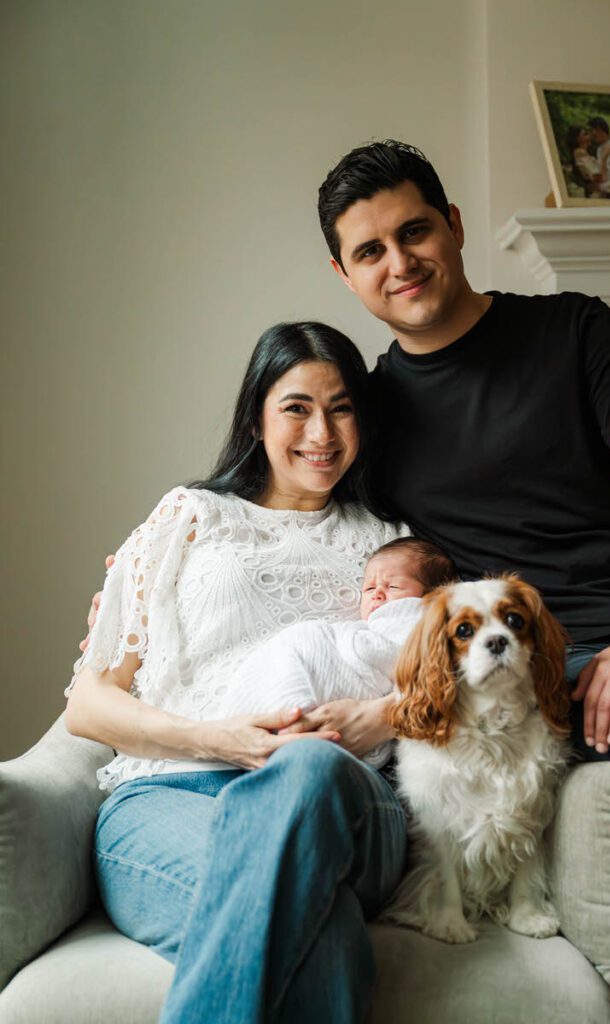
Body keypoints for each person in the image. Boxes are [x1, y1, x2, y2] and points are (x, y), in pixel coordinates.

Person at [317, 139, 610, 828]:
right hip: (535, 663)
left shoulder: (576, 328)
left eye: (414, 231)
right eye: (370, 252)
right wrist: (152, 575)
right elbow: (285, 509)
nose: (400, 263)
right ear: (344, 274)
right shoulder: (368, 415)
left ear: (453, 225)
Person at [66, 321, 412, 1023]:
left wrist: (378, 717)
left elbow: (451, 681)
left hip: (344, 800)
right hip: (173, 797)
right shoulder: (189, 517)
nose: (322, 432)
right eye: (296, 408)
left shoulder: (393, 544)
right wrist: (219, 739)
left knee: (307, 764)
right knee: (326, 938)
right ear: (256, 417)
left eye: (341, 408)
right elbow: (89, 705)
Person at [219, 537, 456, 768]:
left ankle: (284, 721)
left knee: (306, 642)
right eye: (369, 588)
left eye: (392, 586)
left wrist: (349, 638)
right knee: (298, 644)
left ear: (431, 597)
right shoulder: (371, 626)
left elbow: (392, 656)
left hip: (359, 708)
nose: (377, 593)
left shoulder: (416, 622)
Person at [566, 124, 607, 197]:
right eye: (585, 134)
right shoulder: (580, 152)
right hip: (591, 193)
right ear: (577, 139)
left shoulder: (582, 153)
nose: (589, 136)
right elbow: (595, 176)